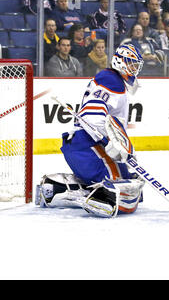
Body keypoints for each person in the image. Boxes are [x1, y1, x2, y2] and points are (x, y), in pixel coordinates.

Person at [36, 44, 146, 218]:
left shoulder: (111, 79)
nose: (134, 69)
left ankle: (53, 188)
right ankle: (102, 199)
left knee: (125, 177)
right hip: (87, 147)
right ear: (120, 62)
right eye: (131, 63)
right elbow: (92, 117)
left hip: (81, 147)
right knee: (128, 188)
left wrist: (118, 146)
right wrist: (114, 142)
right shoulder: (111, 80)